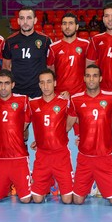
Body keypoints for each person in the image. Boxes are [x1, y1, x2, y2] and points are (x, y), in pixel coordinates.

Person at [67, 64, 112, 205]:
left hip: (105, 157)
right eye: (88, 76)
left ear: (100, 78)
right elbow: (68, 125)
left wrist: (107, 131)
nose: (91, 79)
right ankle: (93, 184)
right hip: (85, 158)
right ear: (84, 78)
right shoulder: (76, 99)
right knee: (77, 201)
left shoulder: (111, 97)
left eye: (95, 75)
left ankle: (104, 181)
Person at [0, 69, 32, 203]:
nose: (3, 87)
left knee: (26, 200)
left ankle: (23, 183)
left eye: (6, 83)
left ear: (13, 84)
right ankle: (6, 186)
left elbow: (28, 121)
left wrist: (15, 130)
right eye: (0, 83)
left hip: (19, 157)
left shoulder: (23, 100)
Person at [29, 69, 74, 204]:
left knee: (67, 200)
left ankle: (54, 181)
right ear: (39, 85)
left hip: (61, 154)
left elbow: (73, 121)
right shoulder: (32, 103)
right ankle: (50, 181)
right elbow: (24, 124)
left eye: (49, 82)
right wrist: (39, 140)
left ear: (55, 83)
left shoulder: (64, 101)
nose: (46, 86)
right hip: (42, 155)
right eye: (42, 83)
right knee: (37, 199)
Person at [2, 5, 52, 98]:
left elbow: (50, 66)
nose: (25, 22)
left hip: (38, 92)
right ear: (18, 21)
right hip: (17, 91)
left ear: (35, 20)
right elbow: (6, 67)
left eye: (29, 18)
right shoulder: (10, 41)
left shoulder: (45, 40)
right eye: (22, 18)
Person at [47, 12, 89, 96]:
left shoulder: (86, 45)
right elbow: (51, 72)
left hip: (81, 93)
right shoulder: (53, 47)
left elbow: (89, 69)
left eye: (71, 23)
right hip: (60, 94)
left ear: (77, 26)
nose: (67, 27)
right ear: (61, 27)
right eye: (64, 24)